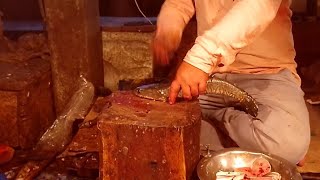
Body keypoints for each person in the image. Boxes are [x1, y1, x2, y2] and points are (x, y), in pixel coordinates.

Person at [152, 0, 310, 166]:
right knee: (158, 132)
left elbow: (257, 6)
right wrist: (168, 30)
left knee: (287, 144)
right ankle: (266, 150)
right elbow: (179, 3)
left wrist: (200, 59)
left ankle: (211, 123)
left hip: (268, 73)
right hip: (209, 77)